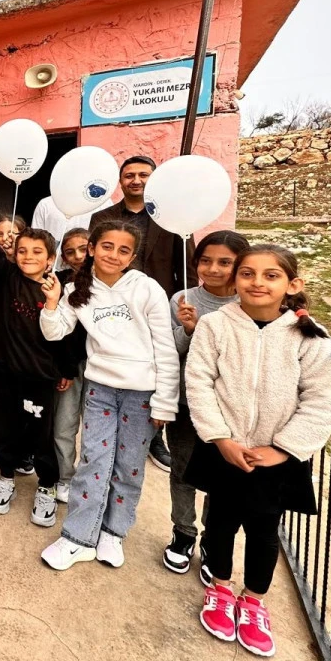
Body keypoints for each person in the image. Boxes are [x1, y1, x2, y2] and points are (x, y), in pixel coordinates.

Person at [185, 245, 331, 657]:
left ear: (292, 284)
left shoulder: (308, 336)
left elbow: (321, 400)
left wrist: (284, 449)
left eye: (271, 275)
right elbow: (199, 381)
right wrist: (220, 437)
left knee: (264, 530)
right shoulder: (216, 325)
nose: (257, 282)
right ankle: (220, 588)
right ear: (235, 280)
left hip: (275, 456)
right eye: (248, 273)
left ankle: (253, 600)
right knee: (220, 522)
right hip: (225, 448)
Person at [38, 220, 179, 571]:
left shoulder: (147, 289)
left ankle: (113, 532)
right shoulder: (77, 289)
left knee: (129, 465)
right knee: (94, 461)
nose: (114, 255)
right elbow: (54, 333)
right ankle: (78, 537)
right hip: (100, 388)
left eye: (123, 250)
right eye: (106, 246)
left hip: (142, 392)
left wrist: (164, 401)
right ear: (92, 249)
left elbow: (165, 348)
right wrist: (52, 303)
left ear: (132, 256)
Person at [0, 188, 76, 524]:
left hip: (41, 377)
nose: (28, 256)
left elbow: (66, 336)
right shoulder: (7, 275)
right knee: (5, 429)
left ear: (50, 259)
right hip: (6, 373)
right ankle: (7, 478)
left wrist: (66, 369)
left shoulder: (58, 289)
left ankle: (47, 485)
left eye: (37, 252)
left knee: (42, 435)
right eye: (22, 250)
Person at [90, 155, 197, 473]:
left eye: (143, 175)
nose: (136, 180)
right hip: (112, 306)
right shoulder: (102, 217)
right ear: (120, 181)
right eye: (129, 175)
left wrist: (186, 302)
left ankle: (153, 438)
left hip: (158, 304)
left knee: (158, 365)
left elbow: (187, 267)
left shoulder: (172, 216)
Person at [163, 230, 249, 582]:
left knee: (222, 478)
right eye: (206, 261)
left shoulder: (249, 303)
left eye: (224, 262)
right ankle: (183, 532)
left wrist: (205, 331)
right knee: (182, 469)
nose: (213, 269)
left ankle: (215, 539)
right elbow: (170, 350)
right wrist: (187, 329)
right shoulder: (182, 299)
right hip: (187, 403)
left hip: (230, 408)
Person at [52, 227, 91, 503]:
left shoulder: (117, 282)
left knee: (96, 429)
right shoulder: (60, 282)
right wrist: (65, 368)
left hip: (103, 366)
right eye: (70, 252)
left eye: (83, 248)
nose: (78, 256)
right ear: (63, 258)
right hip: (71, 366)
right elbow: (63, 333)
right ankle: (64, 476)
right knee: (64, 424)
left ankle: (91, 480)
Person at [31, 194, 108, 265]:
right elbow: (36, 241)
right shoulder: (46, 204)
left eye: (84, 249)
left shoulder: (103, 203)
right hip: (55, 267)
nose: (78, 256)